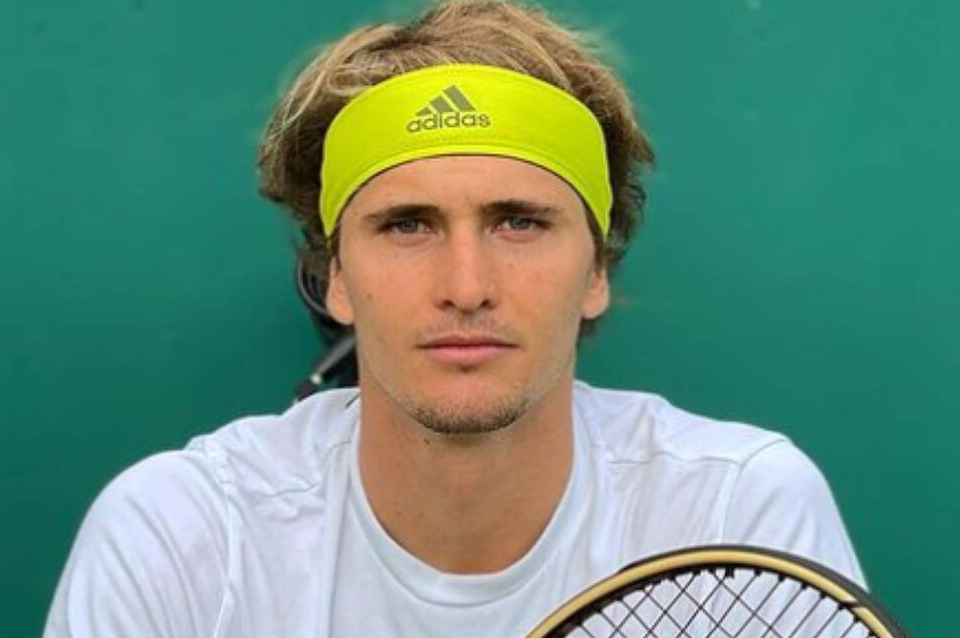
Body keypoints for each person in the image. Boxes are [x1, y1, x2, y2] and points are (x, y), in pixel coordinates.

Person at [43, 1, 864, 636]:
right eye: (408, 225)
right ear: (335, 278)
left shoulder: (735, 512)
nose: (466, 286)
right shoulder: (177, 536)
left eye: (519, 222)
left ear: (597, 271)